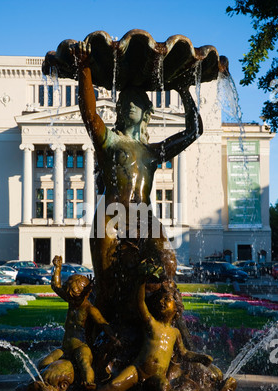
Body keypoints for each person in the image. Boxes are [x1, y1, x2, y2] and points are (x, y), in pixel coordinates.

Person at [74, 41, 203, 316]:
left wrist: (183, 91)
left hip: (142, 217)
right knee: (107, 283)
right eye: (125, 101)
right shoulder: (109, 142)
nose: (130, 104)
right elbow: (89, 114)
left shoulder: (152, 152)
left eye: (137, 101)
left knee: (166, 262)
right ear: (119, 110)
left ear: (146, 112)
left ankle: (158, 323)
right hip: (110, 216)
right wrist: (84, 68)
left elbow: (194, 131)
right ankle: (104, 334)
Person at [75, 279, 212, 391]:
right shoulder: (151, 323)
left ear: (176, 308)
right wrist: (141, 280)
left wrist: (201, 358)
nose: (162, 302)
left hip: (157, 375)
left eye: (167, 299)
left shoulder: (175, 333)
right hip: (138, 369)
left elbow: (184, 353)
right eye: (160, 299)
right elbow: (140, 303)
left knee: (163, 385)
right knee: (114, 385)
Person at [39, 255, 117, 391]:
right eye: (70, 298)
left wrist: (114, 339)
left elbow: (103, 324)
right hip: (65, 348)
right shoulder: (72, 301)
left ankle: (90, 384)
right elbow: (55, 286)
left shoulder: (89, 309)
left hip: (81, 346)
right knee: (43, 363)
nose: (72, 301)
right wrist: (57, 269)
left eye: (74, 298)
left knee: (85, 363)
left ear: (85, 294)